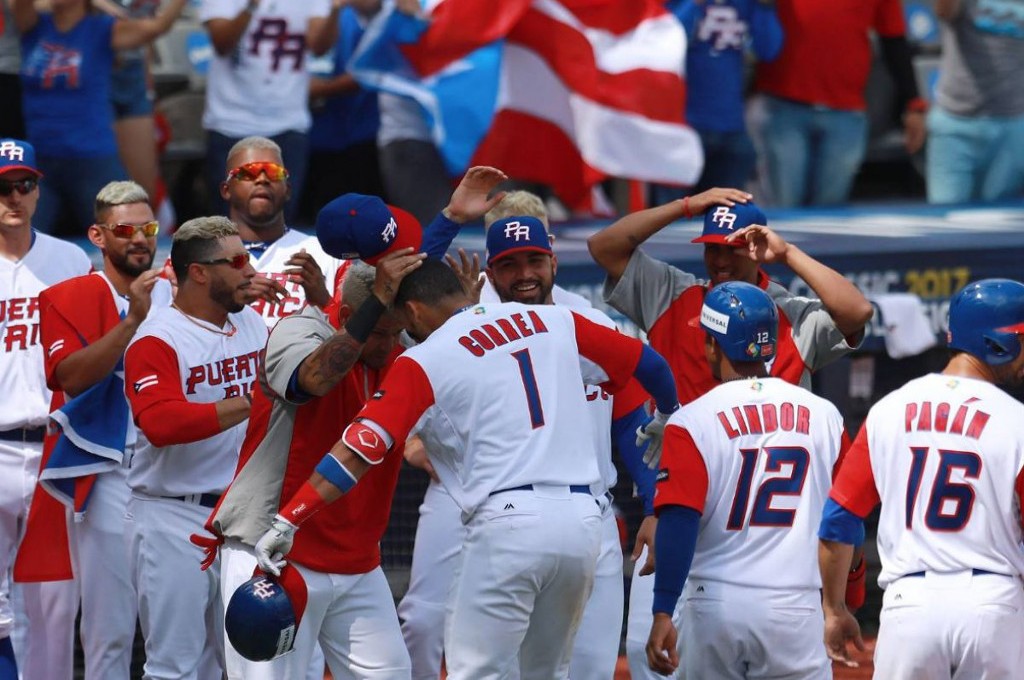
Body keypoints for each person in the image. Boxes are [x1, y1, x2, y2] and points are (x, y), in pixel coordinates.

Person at [253, 258, 681, 680]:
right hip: (583, 522)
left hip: (507, 525)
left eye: (403, 320)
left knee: (475, 674)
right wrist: (665, 414)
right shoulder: (554, 321)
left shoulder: (426, 357)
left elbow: (358, 451)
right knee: (548, 674)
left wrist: (291, 516)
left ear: (414, 310)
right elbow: (651, 365)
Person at [588, 188, 873, 678]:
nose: (718, 258)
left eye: (732, 247)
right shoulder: (674, 292)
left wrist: (786, 253)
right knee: (646, 652)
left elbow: (857, 313)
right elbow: (606, 248)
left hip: (755, 530)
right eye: (711, 247)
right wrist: (687, 206)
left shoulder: (792, 314)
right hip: (684, 506)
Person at [398, 209, 657, 680]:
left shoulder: (586, 320)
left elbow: (629, 414)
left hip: (588, 512)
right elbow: (411, 288)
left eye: (535, 260)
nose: (525, 275)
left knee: (586, 668)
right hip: (489, 511)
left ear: (554, 259)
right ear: (490, 271)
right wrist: (452, 217)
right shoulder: (473, 321)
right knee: (436, 630)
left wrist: (655, 502)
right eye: (510, 265)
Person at [819, 278, 1024, 678]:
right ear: (998, 344)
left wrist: (834, 608)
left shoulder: (888, 410)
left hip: (908, 606)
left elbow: (838, 520)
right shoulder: (1017, 421)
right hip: (992, 605)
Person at [645, 281, 848, 678]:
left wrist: (662, 608)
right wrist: (845, 600)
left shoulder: (692, 419)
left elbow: (680, 520)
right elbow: (845, 519)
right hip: (797, 605)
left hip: (716, 603)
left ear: (712, 345)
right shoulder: (825, 414)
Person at [14, 181, 171, 680]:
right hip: (109, 473)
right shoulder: (69, 294)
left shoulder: (182, 291)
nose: (140, 239)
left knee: (183, 627)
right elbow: (70, 377)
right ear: (97, 236)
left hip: (175, 475)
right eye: (125, 230)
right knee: (110, 631)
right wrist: (132, 322)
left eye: (147, 228)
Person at [123, 216, 268, 679]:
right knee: (176, 667)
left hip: (242, 516)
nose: (250, 269)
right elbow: (161, 423)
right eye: (238, 260)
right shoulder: (156, 339)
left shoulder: (253, 324)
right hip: (174, 515)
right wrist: (250, 401)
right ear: (200, 272)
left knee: (248, 663)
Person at [0, 139, 91, 680]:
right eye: (2, 186)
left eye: (24, 184)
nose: (14, 196)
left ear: (37, 189)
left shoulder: (69, 258)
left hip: (54, 452)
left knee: (54, 605)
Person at [12, 0, 188, 235]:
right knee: (19, 241)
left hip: (92, 158)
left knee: (122, 237)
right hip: (42, 162)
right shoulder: (33, 25)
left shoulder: (103, 29)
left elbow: (157, 27)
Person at [751, 0, 927, 206]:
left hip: (845, 112)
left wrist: (913, 104)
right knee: (781, 209)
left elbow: (894, 40)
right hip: (783, 105)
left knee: (829, 215)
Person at [200, 0, 344, 221]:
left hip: (288, 121)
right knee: (228, 221)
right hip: (231, 121)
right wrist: (250, 7)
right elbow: (222, 43)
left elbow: (319, 46)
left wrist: (334, 10)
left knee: (281, 217)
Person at [657, 0, 782, 198]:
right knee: (671, 216)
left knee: (722, 220)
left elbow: (768, 50)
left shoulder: (747, 4)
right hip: (682, 127)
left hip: (731, 128)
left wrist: (765, 7)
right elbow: (664, 41)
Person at [219, 136, 344, 327]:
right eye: (248, 173)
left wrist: (323, 299)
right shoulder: (198, 254)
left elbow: (359, 334)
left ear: (287, 190)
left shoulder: (328, 254)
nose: (262, 179)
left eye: (273, 173)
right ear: (226, 189)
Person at [926, 0, 1024, 204]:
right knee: (945, 218)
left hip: (1012, 126)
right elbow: (944, 11)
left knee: (999, 223)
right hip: (955, 125)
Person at [300, 0, 386, 224]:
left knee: (352, 223)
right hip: (303, 138)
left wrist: (320, 89)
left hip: (355, 139)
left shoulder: (353, 17)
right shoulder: (289, 10)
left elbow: (372, 70)